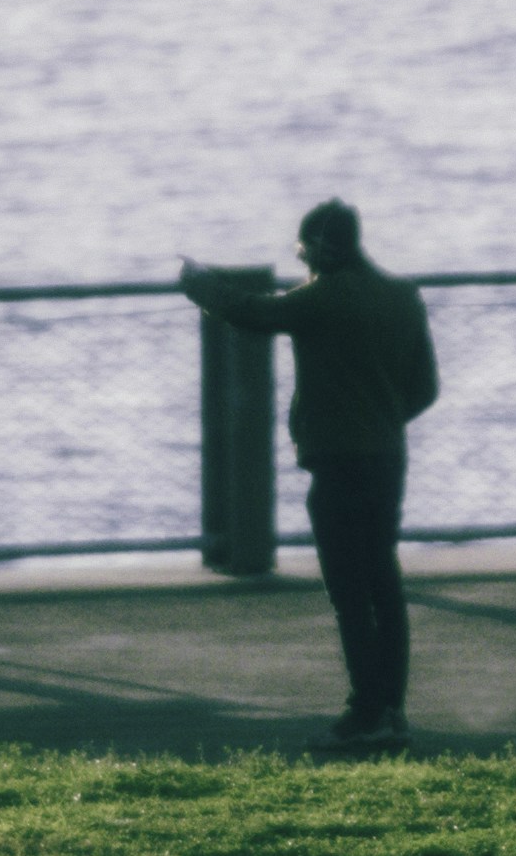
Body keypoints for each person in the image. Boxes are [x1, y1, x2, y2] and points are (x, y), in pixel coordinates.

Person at [180, 198, 441, 754]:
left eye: (303, 252)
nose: (303, 264)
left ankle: (364, 713)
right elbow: (426, 389)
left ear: (321, 250)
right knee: (384, 585)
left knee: (349, 593)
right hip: (387, 458)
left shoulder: (323, 298)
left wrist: (198, 284)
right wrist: (382, 420)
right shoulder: (402, 297)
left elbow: (254, 312)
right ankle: (392, 709)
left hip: (338, 463)